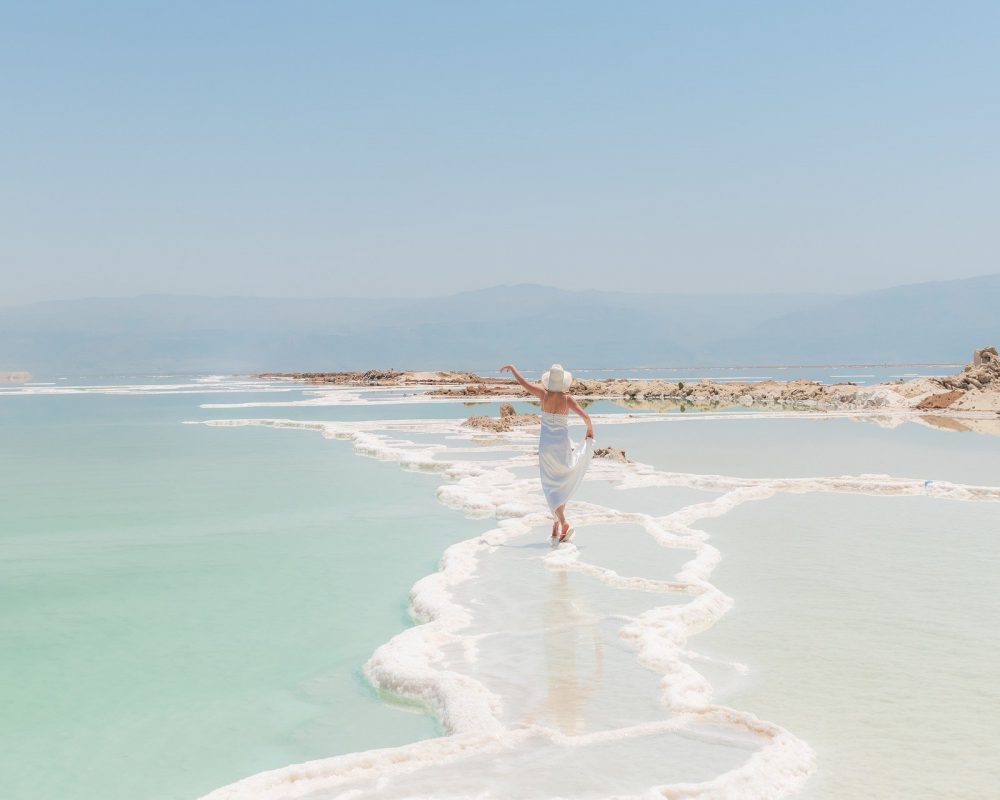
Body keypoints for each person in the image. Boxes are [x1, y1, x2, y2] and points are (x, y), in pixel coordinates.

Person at [500, 363, 594, 542]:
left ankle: (560, 524)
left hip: (545, 446)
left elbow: (524, 383)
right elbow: (586, 418)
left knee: (551, 486)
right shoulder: (568, 399)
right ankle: (559, 523)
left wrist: (512, 369)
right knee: (562, 483)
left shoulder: (543, 394)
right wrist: (590, 431)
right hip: (562, 446)